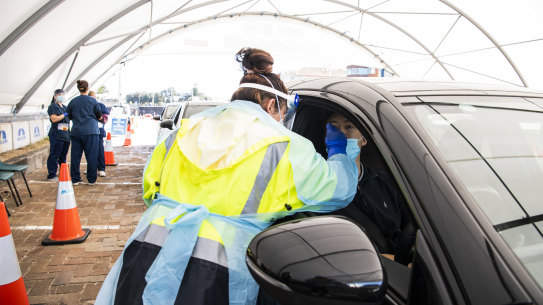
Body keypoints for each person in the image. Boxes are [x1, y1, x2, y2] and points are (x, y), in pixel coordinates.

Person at [95, 48, 358, 305]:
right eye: (282, 112)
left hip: (149, 246)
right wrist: (342, 150)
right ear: (270, 105)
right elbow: (338, 191)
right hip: (215, 268)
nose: (282, 120)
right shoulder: (283, 146)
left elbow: (150, 192)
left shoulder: (183, 131)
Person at [325, 113, 415, 264]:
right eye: (333, 128)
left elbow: (413, 227)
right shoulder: (319, 191)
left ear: (364, 139)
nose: (340, 134)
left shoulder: (386, 180)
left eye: (349, 127)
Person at [67, 80, 102, 185]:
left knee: (75, 156)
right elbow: (99, 116)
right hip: (91, 131)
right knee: (91, 155)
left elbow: (69, 116)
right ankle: (91, 179)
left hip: (77, 131)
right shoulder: (93, 101)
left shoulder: (73, 101)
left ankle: (75, 179)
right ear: (87, 88)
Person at [46, 89, 70, 181]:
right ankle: (52, 174)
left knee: (63, 156)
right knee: (54, 154)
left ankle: (63, 173)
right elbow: (54, 119)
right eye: (59, 95)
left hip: (66, 134)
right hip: (57, 134)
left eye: (63, 95)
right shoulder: (53, 107)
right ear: (55, 96)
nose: (61, 96)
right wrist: (63, 115)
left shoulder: (65, 107)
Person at [89, 90, 109, 177]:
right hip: (89, 131)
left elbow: (105, 118)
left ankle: (101, 168)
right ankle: (91, 168)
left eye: (93, 97)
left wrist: (98, 117)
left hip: (99, 131)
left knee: (100, 150)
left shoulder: (101, 106)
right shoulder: (86, 107)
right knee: (89, 151)